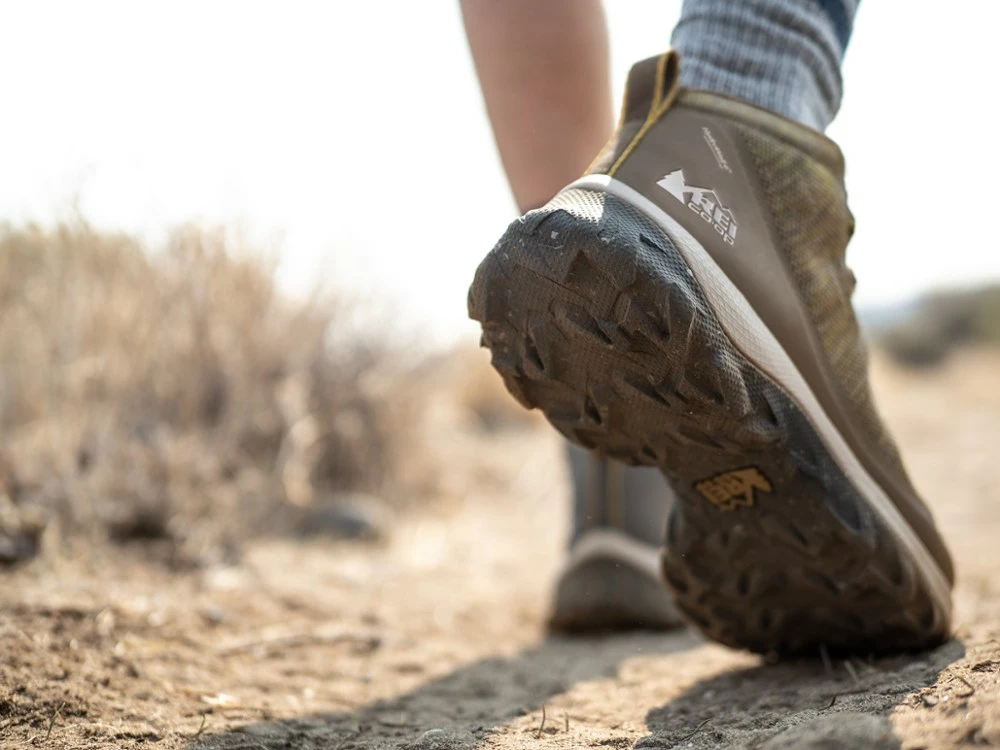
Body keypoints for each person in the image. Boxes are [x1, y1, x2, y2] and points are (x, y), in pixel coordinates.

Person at [461, 0, 954, 655]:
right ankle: (740, 117)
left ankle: (619, 488)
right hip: (720, 163)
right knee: (737, 80)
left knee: (587, 245)